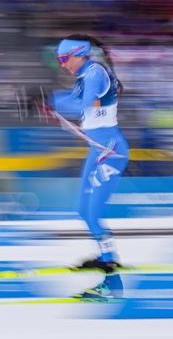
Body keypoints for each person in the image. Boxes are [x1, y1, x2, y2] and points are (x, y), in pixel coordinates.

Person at [48, 34, 130, 299]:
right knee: (83, 211)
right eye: (59, 60)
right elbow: (74, 102)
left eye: (64, 59)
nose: (62, 65)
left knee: (94, 214)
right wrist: (47, 101)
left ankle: (112, 281)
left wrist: (47, 99)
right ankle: (105, 257)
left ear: (80, 54)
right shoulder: (86, 75)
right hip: (98, 151)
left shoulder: (94, 73)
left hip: (110, 152)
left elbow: (82, 104)